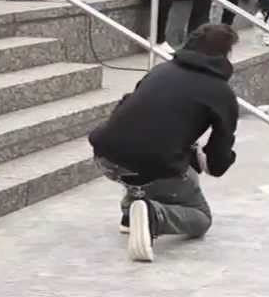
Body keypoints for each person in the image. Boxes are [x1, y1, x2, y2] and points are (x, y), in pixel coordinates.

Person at [88, 23, 238, 263]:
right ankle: (153, 216)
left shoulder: (160, 71)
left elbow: (127, 108)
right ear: (225, 55)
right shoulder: (221, 93)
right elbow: (217, 163)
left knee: (156, 151)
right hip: (150, 167)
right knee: (200, 217)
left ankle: (130, 211)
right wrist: (213, 158)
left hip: (105, 155)